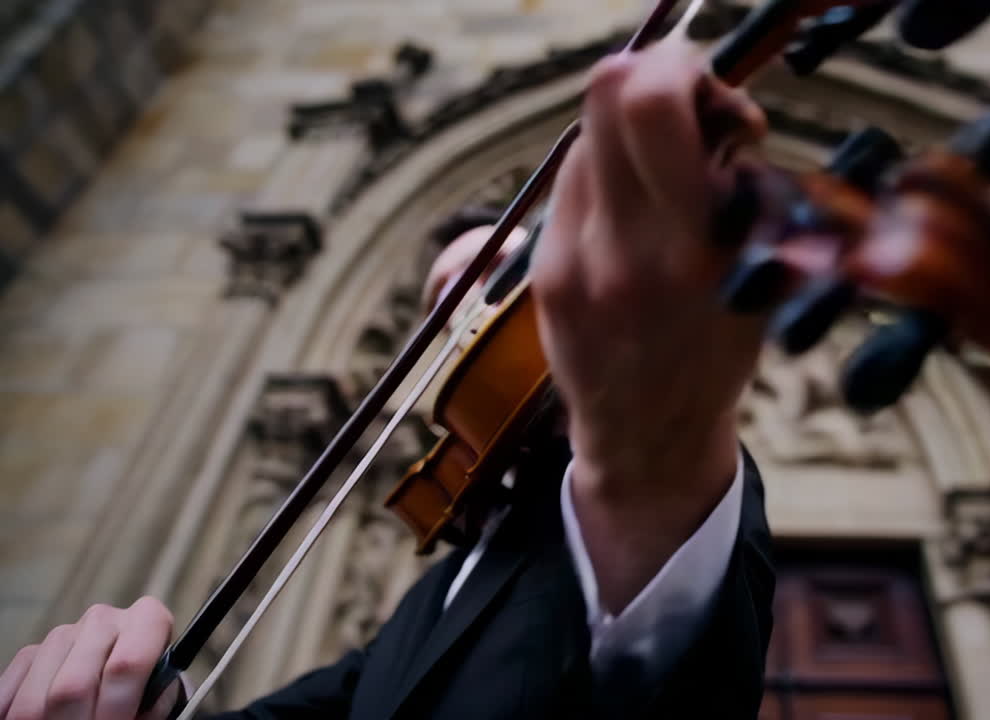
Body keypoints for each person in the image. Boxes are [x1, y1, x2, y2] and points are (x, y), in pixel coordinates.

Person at [0, 38, 776, 719]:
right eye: (441, 306)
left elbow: (649, 487)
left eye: (497, 282)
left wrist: (655, 408)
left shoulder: (649, 500)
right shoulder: (426, 606)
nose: (464, 320)